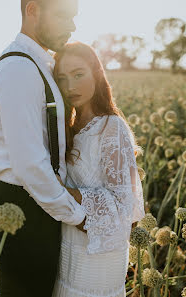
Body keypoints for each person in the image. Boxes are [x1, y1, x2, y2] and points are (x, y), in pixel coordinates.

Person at [0, 0, 86, 296]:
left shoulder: (38, 62)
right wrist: (78, 215)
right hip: (24, 207)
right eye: (64, 15)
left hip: (38, 201)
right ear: (32, 10)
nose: (73, 26)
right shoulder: (19, 68)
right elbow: (29, 163)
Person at [51, 42, 146, 297]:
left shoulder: (111, 128)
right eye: (62, 78)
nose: (70, 86)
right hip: (69, 248)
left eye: (78, 74)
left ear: (96, 73)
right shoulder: (66, 127)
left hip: (100, 258)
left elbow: (124, 206)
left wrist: (59, 192)